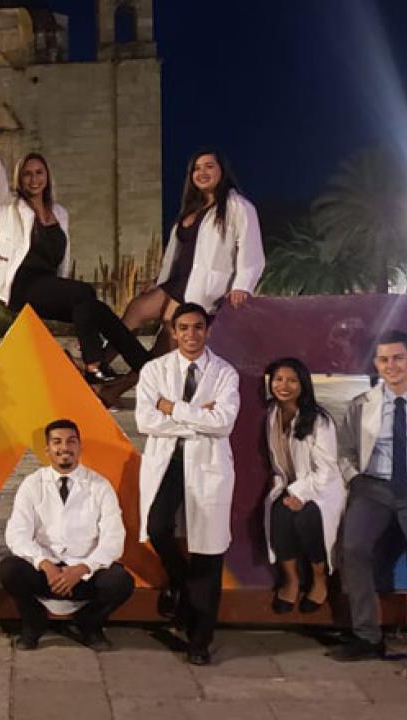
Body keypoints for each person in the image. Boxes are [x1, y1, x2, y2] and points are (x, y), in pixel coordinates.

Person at [0, 112, 149, 384]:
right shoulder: (10, 207)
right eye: (27, 174)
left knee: (96, 308)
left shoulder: (60, 213)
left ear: (47, 176)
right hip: (23, 285)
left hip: (49, 286)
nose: (33, 179)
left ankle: (146, 366)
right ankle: (93, 364)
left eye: (39, 173)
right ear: (20, 179)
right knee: (83, 293)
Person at [135, 302, 239, 665]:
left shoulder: (225, 373)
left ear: (207, 330)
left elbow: (224, 422)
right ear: (173, 332)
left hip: (208, 466)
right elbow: (146, 421)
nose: (191, 335)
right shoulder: (154, 370)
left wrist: (172, 408)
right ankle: (179, 580)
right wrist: (199, 415)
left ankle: (199, 640)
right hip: (168, 462)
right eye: (183, 328)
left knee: (209, 552)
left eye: (198, 327)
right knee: (157, 526)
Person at [0, 419, 133, 651]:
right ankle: (33, 622)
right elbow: (17, 533)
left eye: (71, 441)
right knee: (9, 569)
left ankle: (89, 624)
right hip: (45, 574)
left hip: (84, 574)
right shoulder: (32, 484)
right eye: (57, 442)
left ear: (79, 447)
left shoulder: (100, 486)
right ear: (47, 450)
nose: (64, 448)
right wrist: (46, 564)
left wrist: (81, 569)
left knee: (121, 582)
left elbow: (114, 539)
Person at [118, 149, 264, 356]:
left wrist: (242, 286)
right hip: (175, 282)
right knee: (137, 309)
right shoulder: (193, 208)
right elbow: (178, 254)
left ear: (222, 171)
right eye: (196, 168)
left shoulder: (238, 207)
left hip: (201, 285)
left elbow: (252, 251)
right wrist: (158, 280)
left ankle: (117, 387)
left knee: (166, 343)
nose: (201, 172)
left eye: (209, 166)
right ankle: (99, 365)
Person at [329, 331, 407, 661]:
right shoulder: (361, 405)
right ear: (375, 363)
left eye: (398, 358)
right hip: (373, 488)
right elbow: (345, 450)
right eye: (384, 359)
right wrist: (355, 480)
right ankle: (367, 635)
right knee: (354, 547)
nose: (391, 365)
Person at [262, 357, 344, 615]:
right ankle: (291, 580)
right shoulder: (272, 414)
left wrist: (300, 492)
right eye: (278, 379)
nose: (283, 386)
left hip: (321, 489)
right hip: (289, 487)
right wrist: (287, 491)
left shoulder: (319, 420)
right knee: (279, 515)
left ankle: (320, 580)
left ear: (303, 385)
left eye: (291, 380)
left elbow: (327, 470)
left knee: (308, 519)